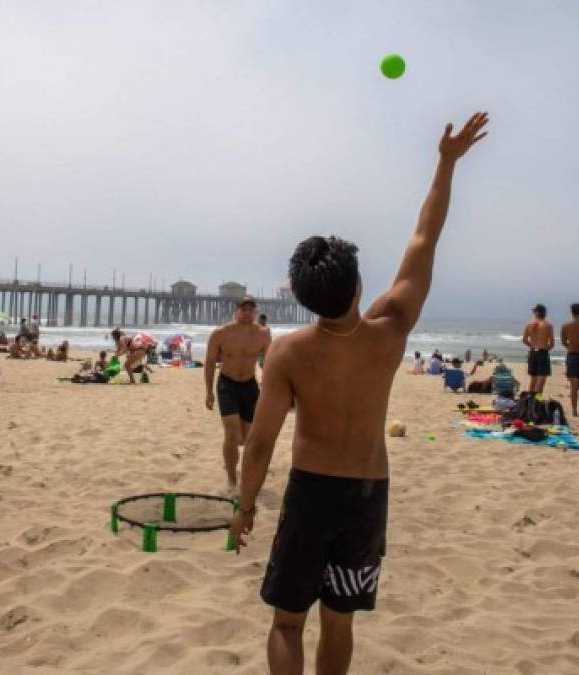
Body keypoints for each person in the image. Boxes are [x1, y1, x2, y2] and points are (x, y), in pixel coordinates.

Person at [229, 112, 488, 675]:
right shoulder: (390, 331)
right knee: (339, 620)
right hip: (368, 494)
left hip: (312, 493)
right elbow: (425, 238)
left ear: (301, 295)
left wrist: (245, 507)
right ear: (359, 285)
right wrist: (445, 164)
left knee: (287, 622)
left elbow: (261, 445)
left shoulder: (288, 353)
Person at [205, 296, 272, 489]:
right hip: (227, 384)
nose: (247, 313)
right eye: (244, 309)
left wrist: (268, 385)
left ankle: (242, 470)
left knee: (247, 438)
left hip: (250, 385)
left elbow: (268, 361)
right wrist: (209, 391)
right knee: (232, 434)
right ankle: (232, 478)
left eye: (251, 310)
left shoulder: (263, 333)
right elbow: (209, 361)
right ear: (236, 311)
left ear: (255, 312)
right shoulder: (221, 333)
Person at [523, 304, 553, 394]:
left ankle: (530, 401)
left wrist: (532, 345)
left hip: (533, 352)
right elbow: (551, 343)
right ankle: (537, 401)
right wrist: (546, 347)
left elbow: (524, 340)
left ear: (536, 313)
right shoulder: (548, 325)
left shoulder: (529, 324)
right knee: (541, 380)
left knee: (533, 379)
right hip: (542, 352)